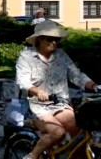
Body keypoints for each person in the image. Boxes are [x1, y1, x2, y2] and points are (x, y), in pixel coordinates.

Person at [16, 21, 96, 159]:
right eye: (50, 39)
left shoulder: (61, 55)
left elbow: (75, 74)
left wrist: (92, 85)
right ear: (39, 39)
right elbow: (23, 82)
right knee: (57, 132)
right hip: (36, 107)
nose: (54, 42)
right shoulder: (26, 56)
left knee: (79, 129)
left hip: (60, 104)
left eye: (56, 39)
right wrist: (37, 91)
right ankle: (32, 156)